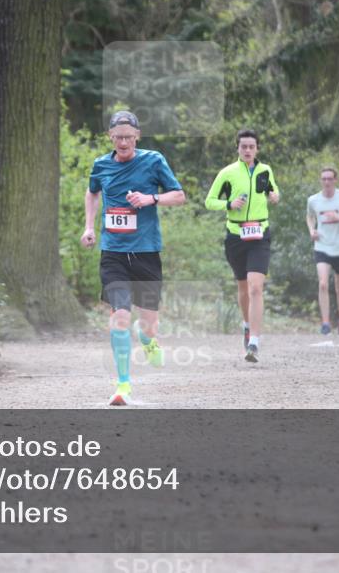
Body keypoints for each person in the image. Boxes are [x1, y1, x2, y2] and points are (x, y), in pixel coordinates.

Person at [81, 110, 186, 406]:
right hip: (113, 252)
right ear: (110, 138)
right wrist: (89, 227)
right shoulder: (101, 164)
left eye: (128, 137)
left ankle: (149, 340)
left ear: (137, 136)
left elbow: (179, 195)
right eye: (118, 137)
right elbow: (92, 194)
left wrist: (150, 198)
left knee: (147, 325)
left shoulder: (154, 160)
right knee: (120, 317)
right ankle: (123, 385)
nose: (123, 142)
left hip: (146, 252)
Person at [204, 129, 280, 363]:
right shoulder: (227, 173)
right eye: (243, 146)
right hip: (236, 235)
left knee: (256, 286)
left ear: (257, 148)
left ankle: (254, 342)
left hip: (260, 234)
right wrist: (229, 203)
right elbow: (209, 201)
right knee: (243, 287)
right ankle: (247, 325)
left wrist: (275, 195)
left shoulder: (265, 170)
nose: (247, 150)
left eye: (251, 146)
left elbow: (272, 190)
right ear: (237, 148)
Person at [305, 167, 339, 335]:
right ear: (320, 181)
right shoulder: (313, 200)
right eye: (324, 179)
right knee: (322, 283)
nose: (327, 182)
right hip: (322, 246)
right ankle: (326, 323)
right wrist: (311, 230)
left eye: (330, 179)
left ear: (336, 180)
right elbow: (309, 216)